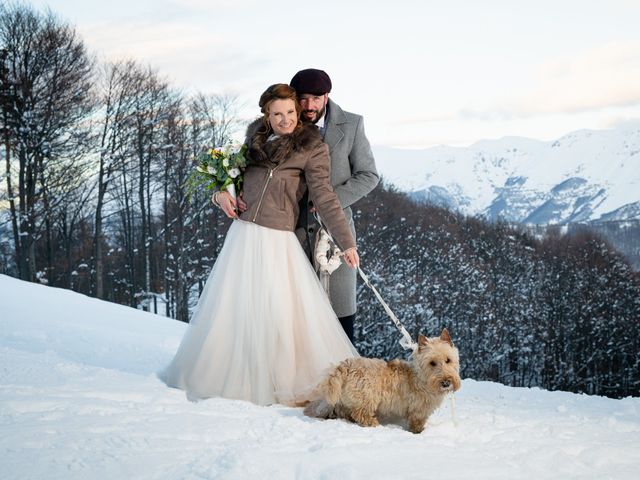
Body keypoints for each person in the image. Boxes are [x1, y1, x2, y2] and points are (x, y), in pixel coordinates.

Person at [161, 84, 359, 407]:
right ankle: (232, 376)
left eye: (291, 113)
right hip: (243, 236)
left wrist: (346, 241)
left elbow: (324, 196)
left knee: (279, 312)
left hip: (278, 240)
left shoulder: (311, 147)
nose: (286, 120)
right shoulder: (254, 140)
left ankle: (278, 380)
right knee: (237, 309)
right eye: (277, 114)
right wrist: (220, 193)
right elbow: (232, 180)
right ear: (266, 115)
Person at [289, 68, 379, 342]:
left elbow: (369, 175)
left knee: (339, 318)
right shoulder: (282, 123)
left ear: (327, 96)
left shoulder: (351, 124)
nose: (309, 106)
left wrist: (330, 201)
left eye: (316, 98)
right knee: (296, 315)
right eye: (303, 99)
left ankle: (343, 380)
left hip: (335, 233)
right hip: (290, 232)